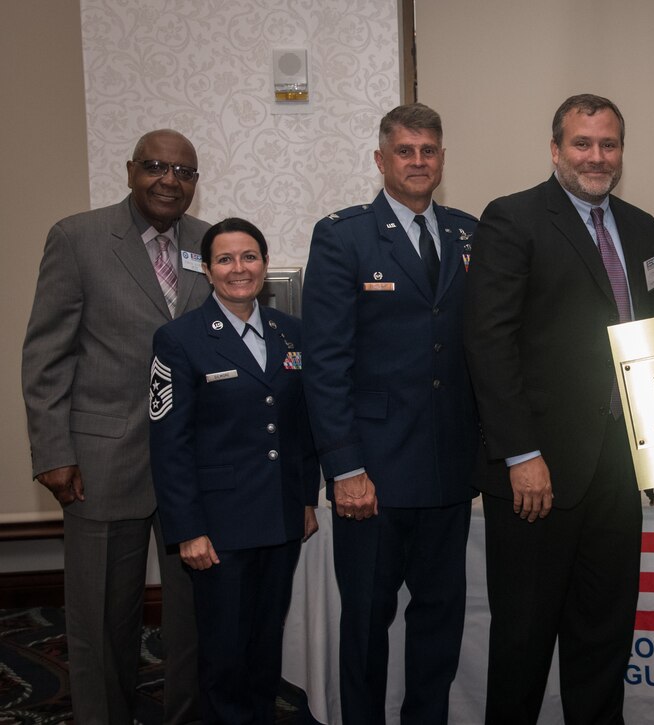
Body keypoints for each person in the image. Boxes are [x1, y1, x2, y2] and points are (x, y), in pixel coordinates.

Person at [464, 93, 654, 724]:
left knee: (604, 636)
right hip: (539, 474)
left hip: (617, 468)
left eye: (608, 144)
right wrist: (520, 453)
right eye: (582, 144)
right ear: (556, 149)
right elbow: (488, 341)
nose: (596, 157)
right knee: (524, 642)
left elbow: (650, 329)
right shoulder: (512, 219)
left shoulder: (642, 227)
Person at [21, 129, 205, 724]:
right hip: (102, 460)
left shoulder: (212, 242)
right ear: (130, 171)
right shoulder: (78, 238)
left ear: (195, 183)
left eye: (183, 172)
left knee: (195, 617)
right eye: (155, 166)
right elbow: (47, 354)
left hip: (194, 465)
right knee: (101, 618)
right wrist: (53, 448)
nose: (168, 180)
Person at [303, 103, 479, 724]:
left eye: (429, 150)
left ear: (441, 158)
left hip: (448, 469)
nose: (418, 161)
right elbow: (324, 363)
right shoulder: (343, 236)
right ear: (381, 160)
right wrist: (345, 467)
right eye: (405, 151)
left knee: (440, 620)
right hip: (371, 476)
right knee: (367, 624)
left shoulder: (467, 233)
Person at [148, 217, 319, 723]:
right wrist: (189, 530)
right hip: (219, 528)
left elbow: (303, 427)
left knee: (266, 647)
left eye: (249, 257)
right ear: (207, 269)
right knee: (224, 655)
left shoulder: (293, 333)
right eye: (225, 259)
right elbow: (169, 443)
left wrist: (306, 499)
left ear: (264, 266)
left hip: (282, 518)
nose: (238, 268)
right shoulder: (179, 339)